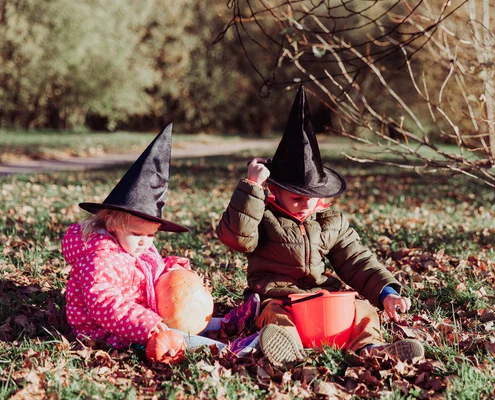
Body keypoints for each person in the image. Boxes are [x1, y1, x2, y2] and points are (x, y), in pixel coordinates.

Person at [216, 86, 425, 364]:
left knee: (361, 308)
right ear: (275, 190)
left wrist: (386, 292)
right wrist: (253, 187)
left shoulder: (330, 221)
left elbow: (357, 260)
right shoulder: (264, 216)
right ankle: (287, 348)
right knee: (274, 315)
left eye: (311, 198)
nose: (305, 204)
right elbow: (237, 237)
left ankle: (372, 348)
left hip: (321, 299)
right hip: (279, 298)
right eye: (296, 198)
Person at [62, 123, 259, 354]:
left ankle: (225, 324)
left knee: (178, 319)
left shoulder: (136, 246)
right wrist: (146, 323)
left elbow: (152, 271)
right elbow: (106, 305)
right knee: (170, 336)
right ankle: (224, 349)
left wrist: (174, 270)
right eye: (138, 233)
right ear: (113, 224)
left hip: (140, 314)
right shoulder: (100, 261)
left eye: (151, 234)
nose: (146, 241)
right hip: (109, 330)